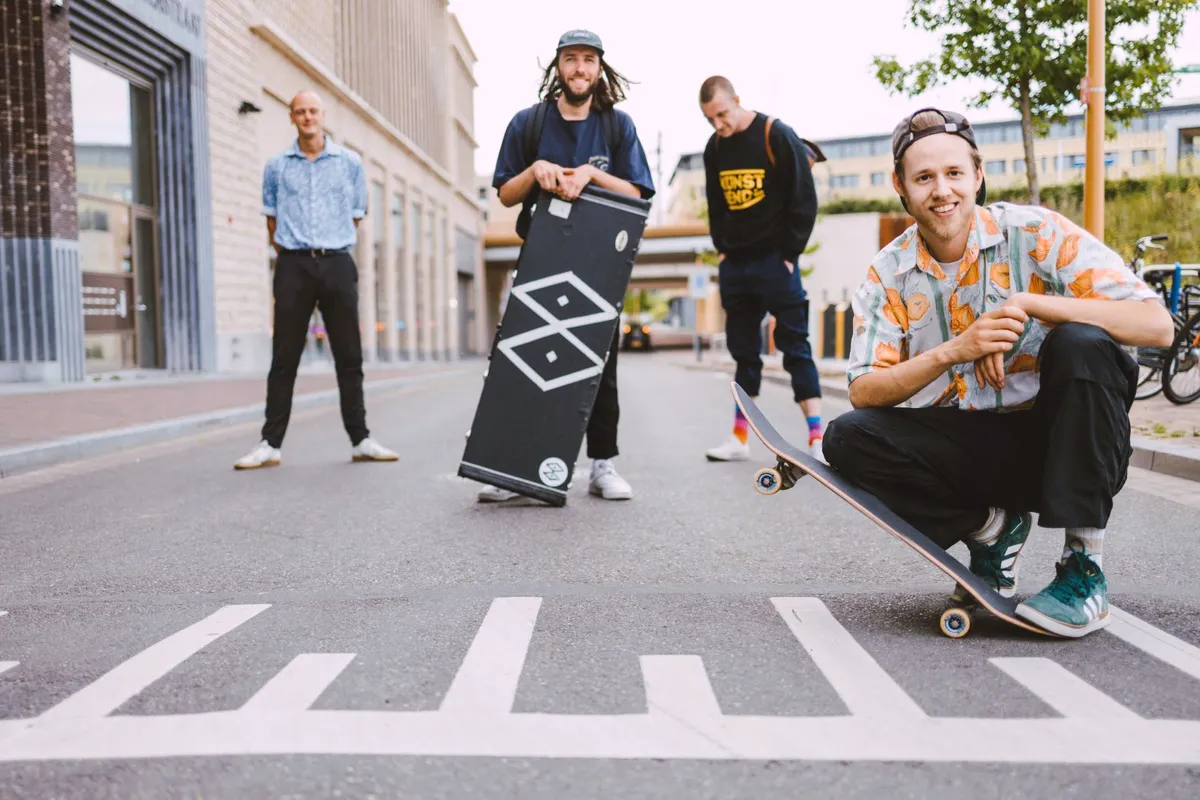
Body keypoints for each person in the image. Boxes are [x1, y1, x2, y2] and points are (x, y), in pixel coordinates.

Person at [823, 107, 1175, 637]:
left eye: (954, 173)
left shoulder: (1034, 232)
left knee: (1083, 343)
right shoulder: (888, 273)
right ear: (901, 186)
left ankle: (1083, 568)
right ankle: (992, 529)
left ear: (978, 175)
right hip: (974, 450)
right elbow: (864, 390)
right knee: (847, 437)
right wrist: (954, 350)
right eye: (924, 178)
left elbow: (1156, 325)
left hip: (1070, 443)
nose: (942, 191)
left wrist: (1029, 304)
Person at [477, 29, 655, 502]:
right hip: (540, 256)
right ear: (558, 66)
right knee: (524, 359)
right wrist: (535, 171)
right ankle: (513, 467)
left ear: (600, 68)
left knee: (600, 366)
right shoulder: (529, 123)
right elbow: (505, 193)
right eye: (571, 58)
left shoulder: (617, 126)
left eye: (588, 60)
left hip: (600, 261)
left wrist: (592, 174)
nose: (579, 68)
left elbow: (638, 193)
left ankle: (602, 465)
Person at [234, 90, 398, 470]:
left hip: (337, 261)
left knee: (349, 355)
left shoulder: (349, 163)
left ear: (323, 116)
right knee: (284, 357)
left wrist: (328, 243)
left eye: (313, 111)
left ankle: (361, 439)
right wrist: (292, 252)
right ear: (291, 117)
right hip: (293, 265)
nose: (307, 117)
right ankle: (270, 444)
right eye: (300, 112)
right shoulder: (276, 166)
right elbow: (271, 218)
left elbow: (356, 214)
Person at [697, 76, 824, 463]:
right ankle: (739, 438)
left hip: (775, 261)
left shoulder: (775, 134)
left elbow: (804, 197)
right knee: (744, 354)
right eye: (710, 119)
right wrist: (722, 251)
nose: (718, 124)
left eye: (722, 114)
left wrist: (790, 253)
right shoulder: (714, 147)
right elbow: (716, 205)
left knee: (795, 346)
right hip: (736, 265)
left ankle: (817, 439)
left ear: (737, 100)